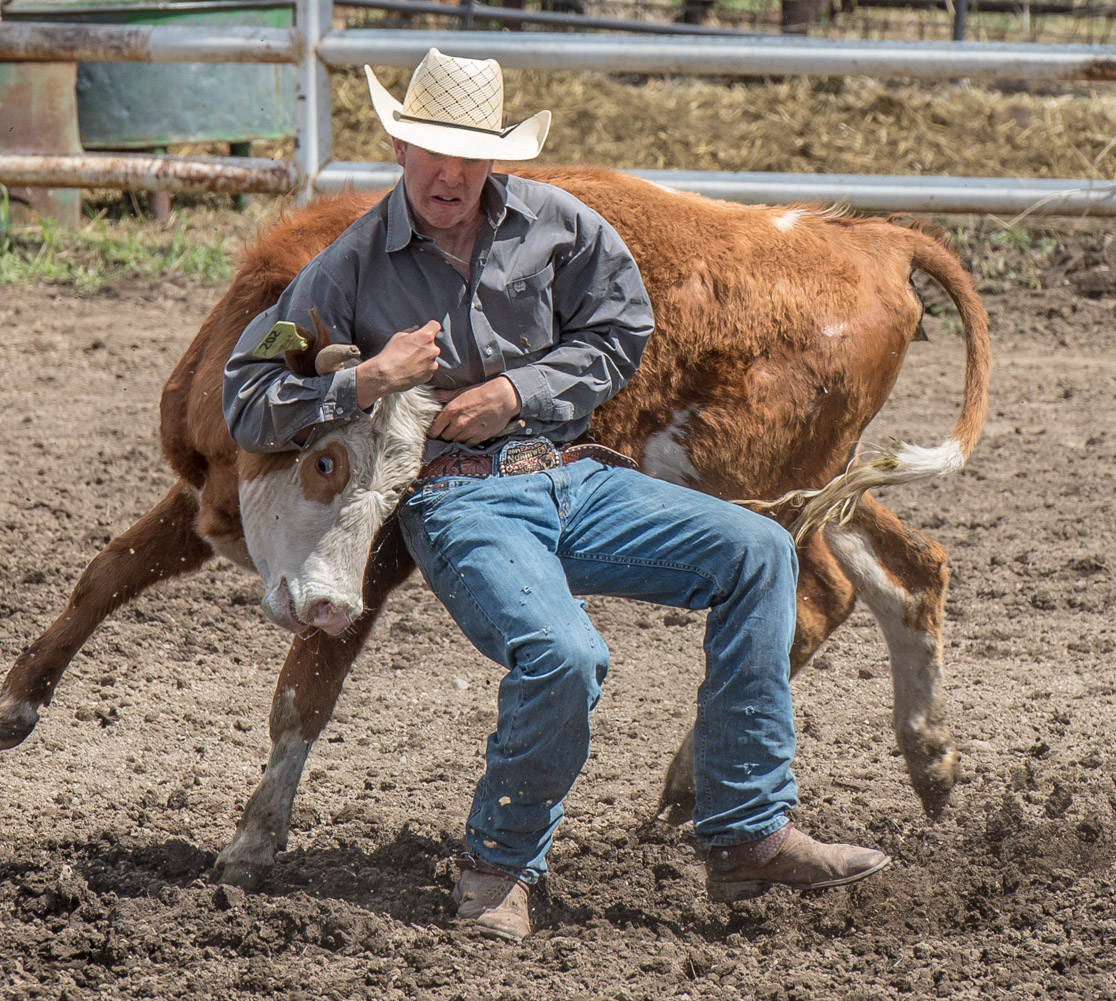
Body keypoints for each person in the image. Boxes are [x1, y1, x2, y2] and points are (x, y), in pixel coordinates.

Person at [222, 48, 889, 942]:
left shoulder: (556, 224)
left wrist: (519, 393)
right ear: (398, 145)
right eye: (431, 150)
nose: (449, 174)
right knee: (564, 655)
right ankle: (497, 866)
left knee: (760, 551)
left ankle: (746, 831)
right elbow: (247, 396)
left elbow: (624, 326)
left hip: (574, 470)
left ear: (496, 157)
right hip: (458, 500)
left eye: (468, 154)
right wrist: (367, 381)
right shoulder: (346, 269)